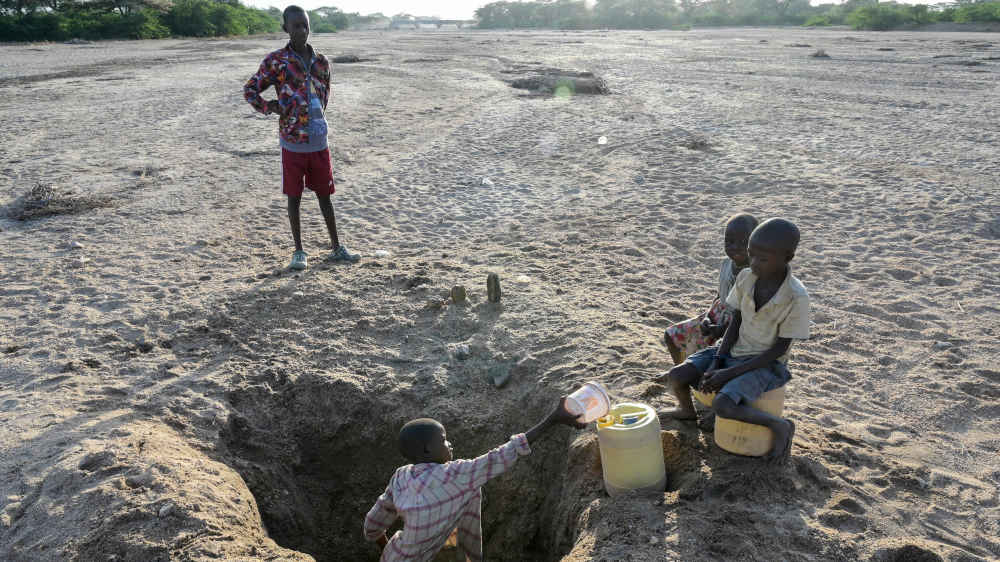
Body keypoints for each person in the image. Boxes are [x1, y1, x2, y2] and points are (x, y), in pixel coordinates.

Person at [655, 218, 809, 462]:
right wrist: (718, 360)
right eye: (752, 255)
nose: (754, 264)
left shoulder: (796, 296)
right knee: (677, 375)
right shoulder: (747, 277)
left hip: (766, 363)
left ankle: (780, 426)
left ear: (787, 258)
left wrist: (728, 373)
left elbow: (779, 349)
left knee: (723, 405)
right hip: (734, 350)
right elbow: (736, 322)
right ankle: (686, 411)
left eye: (763, 259)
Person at [363, 399, 586, 561]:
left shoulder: (401, 476)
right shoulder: (456, 474)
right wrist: (554, 418)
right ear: (427, 450)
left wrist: (388, 550)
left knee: (469, 491)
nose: (449, 443)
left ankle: (455, 552)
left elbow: (373, 524)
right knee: (470, 488)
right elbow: (504, 453)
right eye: (443, 440)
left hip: (394, 555)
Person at [243, 5, 359, 271]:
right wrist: (269, 107)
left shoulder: (321, 61)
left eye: (305, 25)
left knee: (325, 195)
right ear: (286, 28)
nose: (302, 30)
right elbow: (250, 90)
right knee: (294, 197)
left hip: (319, 140)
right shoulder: (276, 61)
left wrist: (313, 119)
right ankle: (298, 251)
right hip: (292, 142)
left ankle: (336, 248)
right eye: (296, 25)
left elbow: (325, 94)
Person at [663, 213, 759, 365]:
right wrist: (707, 316)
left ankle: (690, 373)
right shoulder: (726, 264)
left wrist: (723, 329)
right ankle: (678, 368)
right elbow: (719, 295)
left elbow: (750, 315)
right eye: (729, 242)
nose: (735, 247)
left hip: (737, 327)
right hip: (716, 315)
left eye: (743, 242)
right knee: (671, 335)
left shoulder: (755, 274)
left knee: (712, 357)